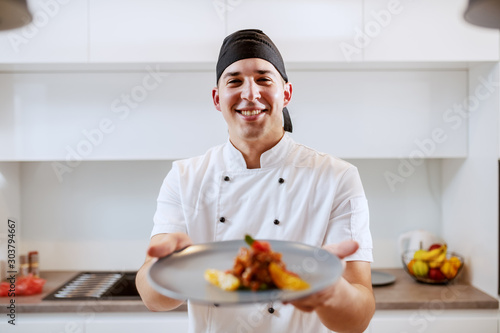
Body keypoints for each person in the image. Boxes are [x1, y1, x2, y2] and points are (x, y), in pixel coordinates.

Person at [136, 29, 375, 333]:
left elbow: (358, 319)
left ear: (286, 93)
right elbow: (152, 299)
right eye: (234, 81)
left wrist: (331, 292)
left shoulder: (337, 177)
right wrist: (167, 268)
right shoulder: (184, 178)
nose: (250, 94)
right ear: (217, 98)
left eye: (264, 79)